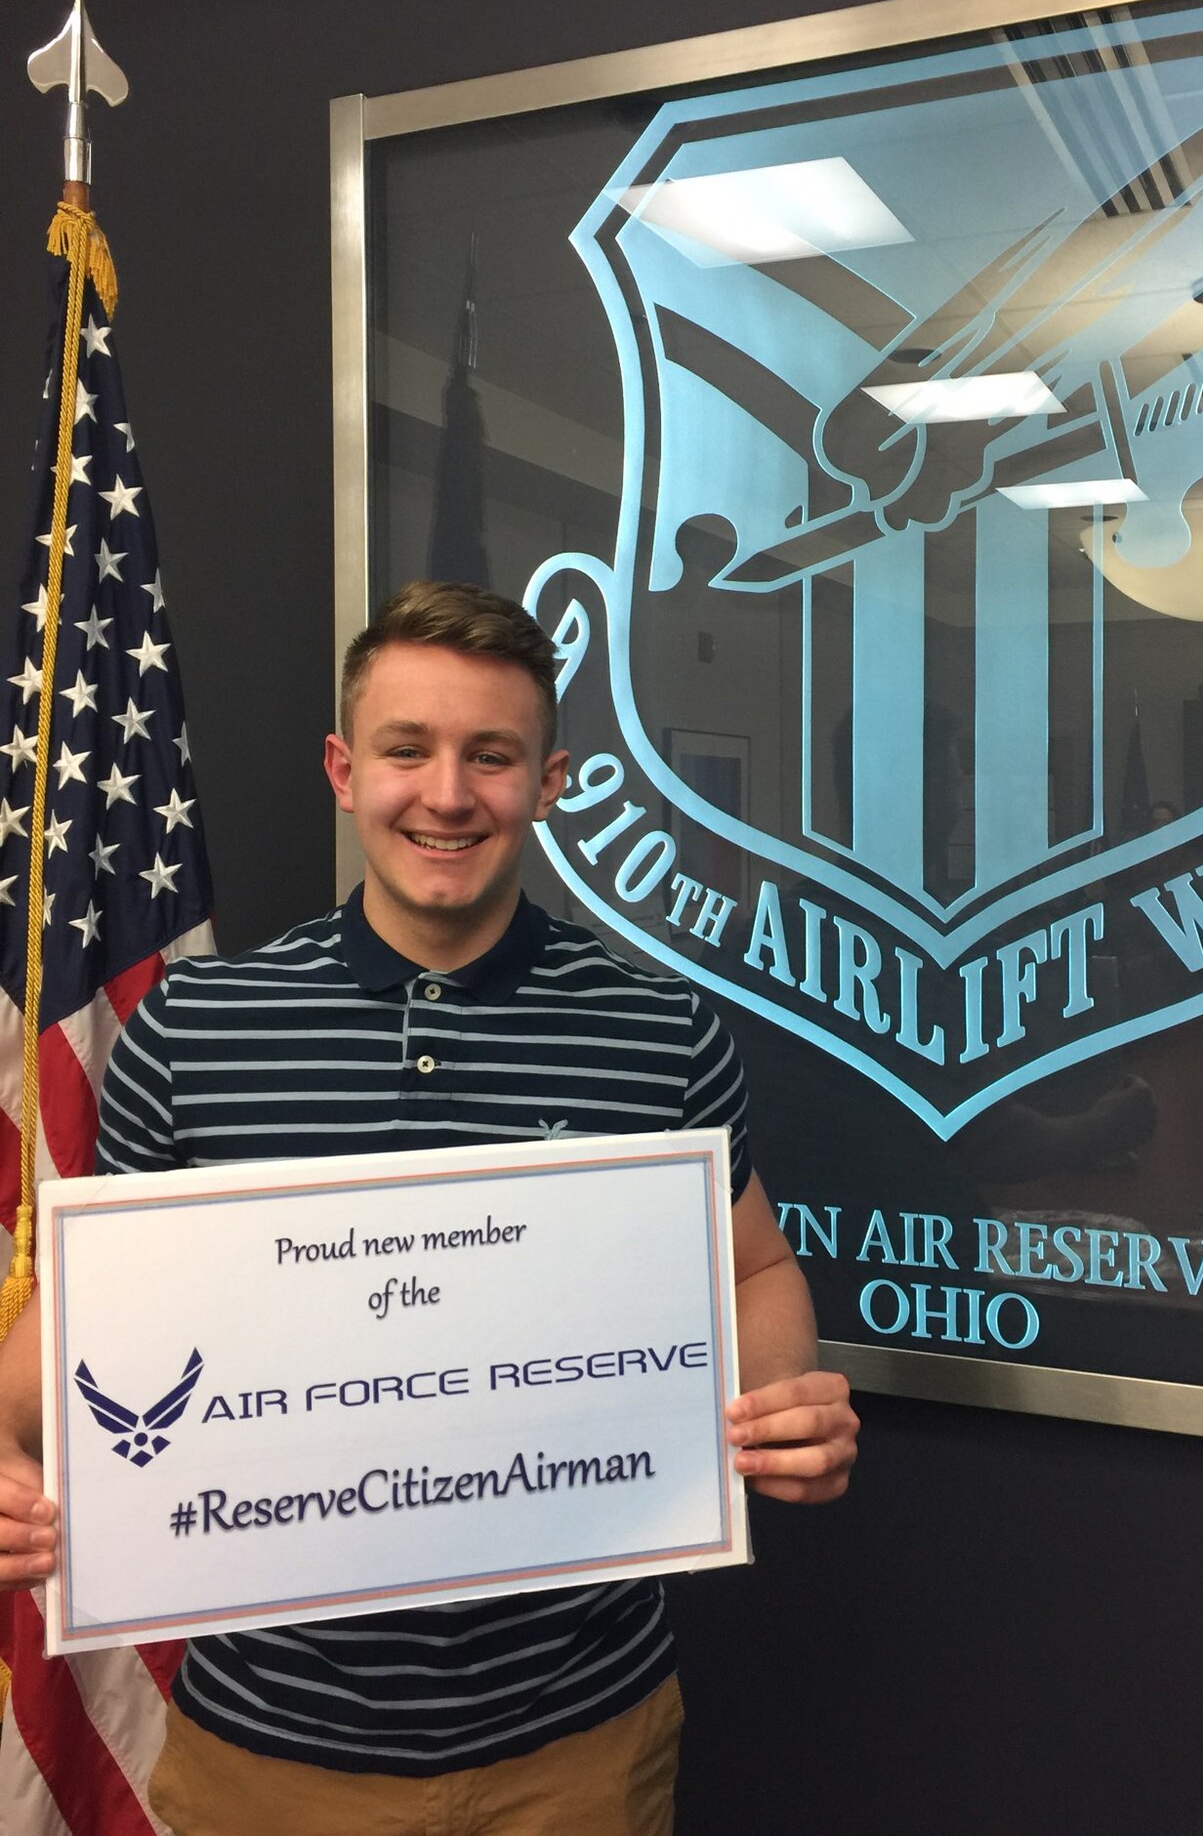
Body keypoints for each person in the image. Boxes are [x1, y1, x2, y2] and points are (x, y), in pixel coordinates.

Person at [0, 581, 858, 1835]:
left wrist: (779, 1393)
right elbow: (87, 1320)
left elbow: (758, 1270)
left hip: (579, 1741)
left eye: (491, 755)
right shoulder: (199, 1031)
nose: (448, 794)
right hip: (270, 1750)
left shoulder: (658, 1030)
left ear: (549, 780)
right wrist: (11, 1448)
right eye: (408, 749)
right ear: (346, 770)